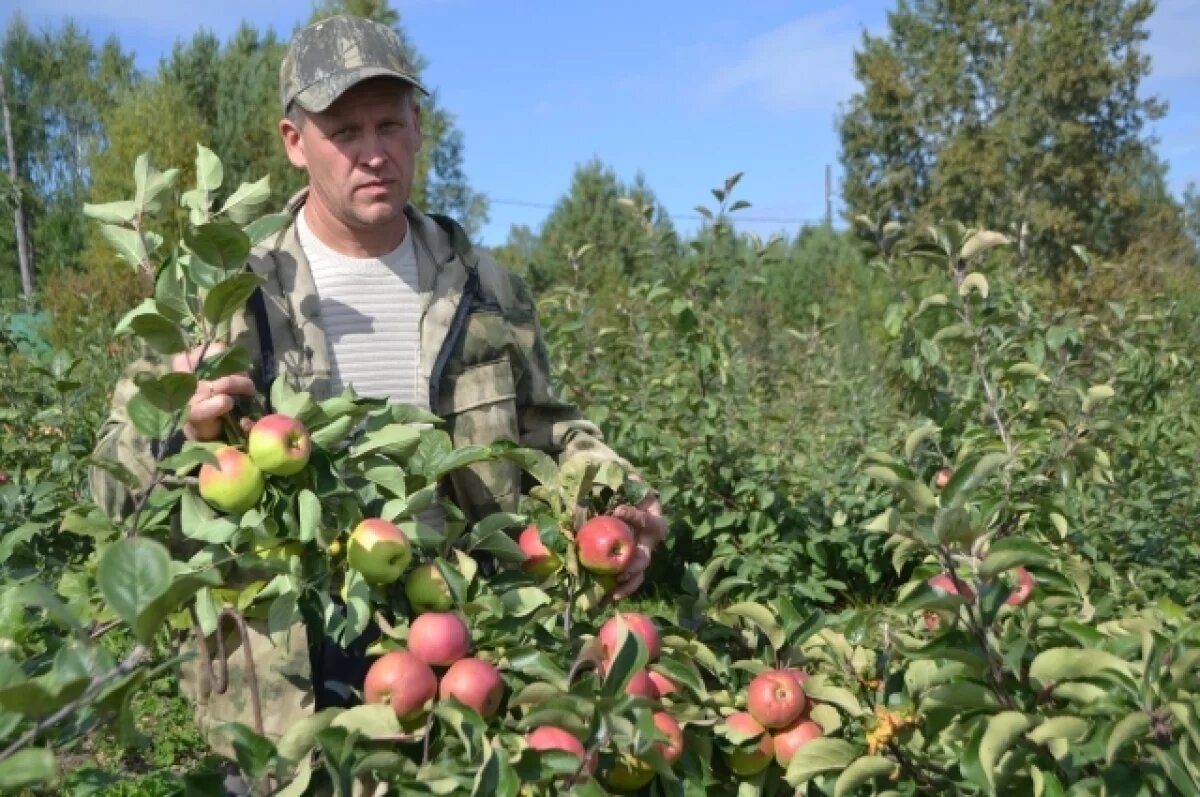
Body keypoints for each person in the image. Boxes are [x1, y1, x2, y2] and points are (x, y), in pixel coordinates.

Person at [89, 12, 666, 781]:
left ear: (419, 127)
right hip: (284, 674)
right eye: (345, 130)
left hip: (458, 647)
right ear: (295, 141)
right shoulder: (228, 294)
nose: (373, 153)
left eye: (389, 124)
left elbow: (548, 431)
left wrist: (624, 496)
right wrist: (172, 435)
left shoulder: (483, 286)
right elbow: (110, 489)